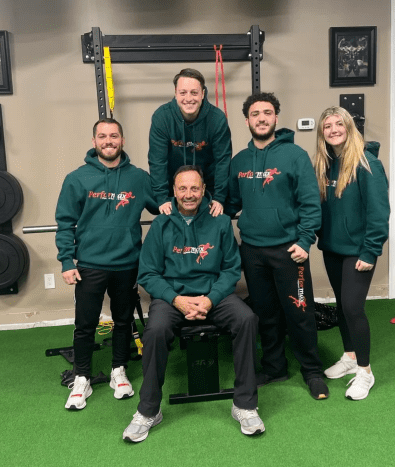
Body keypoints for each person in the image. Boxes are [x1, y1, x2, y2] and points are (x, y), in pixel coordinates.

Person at [123, 166, 262, 443]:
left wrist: (209, 300)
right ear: (174, 191)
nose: (189, 194)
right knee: (155, 331)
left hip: (214, 295)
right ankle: (148, 410)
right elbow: (148, 273)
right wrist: (177, 300)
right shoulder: (161, 224)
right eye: (183, 189)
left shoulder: (220, 222)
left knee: (246, 319)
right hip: (172, 297)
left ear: (203, 190)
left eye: (194, 188)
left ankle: (244, 405)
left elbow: (231, 270)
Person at [226, 92, 329, 400]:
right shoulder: (239, 162)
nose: (261, 118)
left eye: (267, 113)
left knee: (300, 311)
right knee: (265, 313)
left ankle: (312, 371)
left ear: (275, 118)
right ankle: (274, 367)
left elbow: (311, 202)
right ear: (247, 120)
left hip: (289, 251)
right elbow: (231, 203)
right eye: (255, 114)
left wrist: (305, 240)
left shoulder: (294, 155)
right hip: (253, 251)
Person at [55, 118, 157, 410]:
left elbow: (165, 205)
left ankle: (118, 370)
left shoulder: (139, 178)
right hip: (89, 264)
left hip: (127, 263)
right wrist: (66, 260)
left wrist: (207, 199)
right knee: (85, 325)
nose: (108, 141)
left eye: (114, 136)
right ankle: (82, 378)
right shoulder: (78, 178)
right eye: (102, 136)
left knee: (123, 320)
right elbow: (64, 223)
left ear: (122, 141)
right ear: (94, 142)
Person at [312, 106, 389, 400]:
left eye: (338, 124)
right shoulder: (325, 165)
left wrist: (370, 251)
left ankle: (365, 371)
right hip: (332, 248)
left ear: (349, 128)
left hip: (359, 251)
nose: (333, 130)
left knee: (353, 308)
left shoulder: (367, 164)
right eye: (327, 126)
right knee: (342, 307)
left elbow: (379, 213)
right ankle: (349, 356)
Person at [147, 68, 232, 217]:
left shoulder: (217, 119)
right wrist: (162, 198)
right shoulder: (162, 117)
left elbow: (222, 162)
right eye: (183, 92)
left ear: (203, 94)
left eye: (194, 92)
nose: (189, 98)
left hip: (208, 188)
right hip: (173, 189)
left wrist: (219, 197)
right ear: (175, 93)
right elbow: (157, 161)